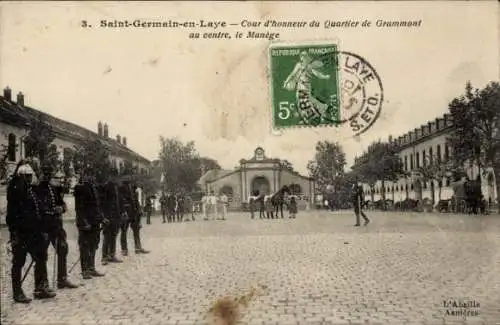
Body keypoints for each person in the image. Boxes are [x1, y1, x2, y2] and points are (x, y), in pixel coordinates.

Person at [7, 161, 56, 303]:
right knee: (18, 262)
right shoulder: (16, 188)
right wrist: (14, 234)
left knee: (41, 257)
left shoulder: (29, 190)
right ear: (21, 175)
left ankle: (40, 288)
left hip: (33, 233)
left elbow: (36, 211)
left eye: (30, 176)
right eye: (27, 176)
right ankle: (17, 292)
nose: (29, 178)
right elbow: (12, 216)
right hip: (21, 234)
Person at [36, 163, 78, 289]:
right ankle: (42, 284)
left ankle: (62, 278)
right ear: (41, 173)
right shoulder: (37, 189)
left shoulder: (54, 188)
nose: (47, 176)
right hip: (43, 226)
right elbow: (38, 208)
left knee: (63, 248)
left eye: (49, 173)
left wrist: (62, 208)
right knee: (41, 255)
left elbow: (62, 204)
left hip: (56, 226)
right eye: (45, 173)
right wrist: (54, 211)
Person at [74, 170, 106, 279]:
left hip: (95, 222)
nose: (91, 177)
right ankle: (85, 270)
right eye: (88, 175)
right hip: (86, 223)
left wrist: (102, 218)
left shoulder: (94, 188)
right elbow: (79, 208)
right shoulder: (80, 188)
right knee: (84, 246)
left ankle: (91, 267)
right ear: (84, 175)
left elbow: (97, 206)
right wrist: (84, 222)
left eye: (92, 175)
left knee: (94, 245)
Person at [120, 181, 149, 255]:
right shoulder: (121, 189)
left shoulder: (134, 189)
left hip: (134, 213)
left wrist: (139, 210)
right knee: (124, 231)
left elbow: (136, 202)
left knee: (136, 230)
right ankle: (124, 249)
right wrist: (123, 211)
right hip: (126, 213)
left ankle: (138, 247)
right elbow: (120, 202)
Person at [101, 179, 125, 265]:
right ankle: (104, 257)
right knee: (107, 237)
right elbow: (102, 208)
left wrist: (122, 214)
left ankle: (112, 255)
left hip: (116, 219)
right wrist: (103, 218)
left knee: (113, 237)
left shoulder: (117, 196)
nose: (115, 189)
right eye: (114, 187)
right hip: (108, 219)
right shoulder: (105, 197)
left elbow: (120, 206)